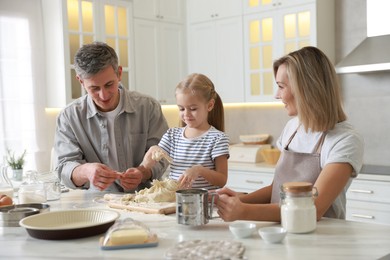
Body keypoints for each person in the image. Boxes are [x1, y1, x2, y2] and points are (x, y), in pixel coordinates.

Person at [216, 46, 364, 222]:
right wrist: (237, 200)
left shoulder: (345, 140)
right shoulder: (292, 127)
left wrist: (244, 211)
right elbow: (277, 189)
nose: (276, 95)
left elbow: (312, 208)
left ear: (305, 89)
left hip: (320, 238)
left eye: (281, 86)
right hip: (280, 230)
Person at [54, 42, 169, 192]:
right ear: (81, 81)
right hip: (96, 206)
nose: (104, 95)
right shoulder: (69, 117)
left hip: (145, 200)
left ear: (119, 73)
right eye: (94, 88)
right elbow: (64, 167)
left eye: (109, 84)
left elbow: (163, 154)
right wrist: (86, 171)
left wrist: (143, 172)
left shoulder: (148, 107)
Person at [142, 73, 229, 190]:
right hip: (176, 202)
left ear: (210, 105)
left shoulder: (217, 139)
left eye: (193, 109)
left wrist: (199, 170)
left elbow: (222, 180)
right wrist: (152, 152)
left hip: (203, 204)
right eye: (181, 109)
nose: (186, 114)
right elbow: (153, 160)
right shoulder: (172, 135)